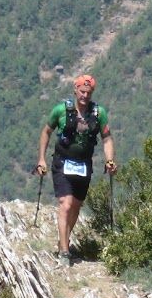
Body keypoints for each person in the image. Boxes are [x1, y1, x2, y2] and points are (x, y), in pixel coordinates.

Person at [36, 74, 116, 267]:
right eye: (82, 91)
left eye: (88, 93)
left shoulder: (99, 113)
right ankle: (65, 252)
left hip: (83, 165)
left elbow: (106, 138)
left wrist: (109, 160)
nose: (85, 96)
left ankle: (63, 240)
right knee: (66, 203)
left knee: (76, 206)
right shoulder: (61, 110)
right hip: (62, 162)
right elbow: (46, 132)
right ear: (75, 90)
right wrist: (41, 159)